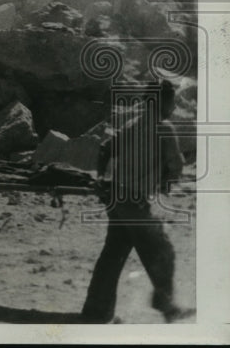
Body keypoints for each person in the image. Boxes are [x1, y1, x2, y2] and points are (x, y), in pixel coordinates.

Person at [80, 80, 193, 323]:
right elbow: (177, 167)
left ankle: (96, 312)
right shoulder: (164, 129)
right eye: (171, 101)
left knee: (113, 253)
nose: (173, 107)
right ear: (160, 102)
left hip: (117, 198)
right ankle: (165, 304)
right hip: (134, 201)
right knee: (162, 249)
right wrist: (164, 180)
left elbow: (104, 148)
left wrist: (101, 179)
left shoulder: (131, 125)